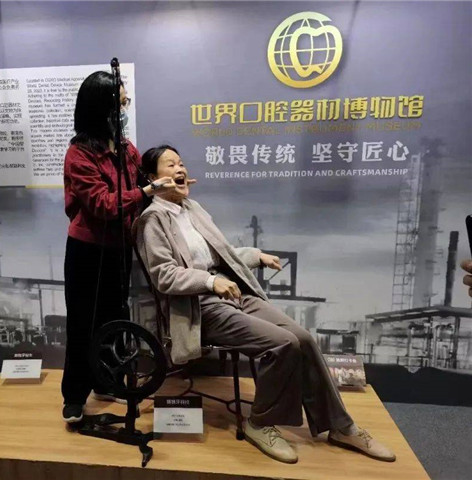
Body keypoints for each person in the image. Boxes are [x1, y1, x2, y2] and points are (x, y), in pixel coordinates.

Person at [134, 145, 396, 464]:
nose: (180, 168)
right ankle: (260, 423)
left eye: (181, 162)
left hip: (232, 292)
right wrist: (210, 282)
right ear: (152, 178)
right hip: (197, 307)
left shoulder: (193, 209)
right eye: (170, 164)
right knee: (283, 344)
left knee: (303, 339)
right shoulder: (151, 220)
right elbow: (164, 275)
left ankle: (341, 426)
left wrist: (256, 256)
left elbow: (222, 254)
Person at [61, 72, 179, 423]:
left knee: (114, 318)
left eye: (126, 102)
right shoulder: (79, 154)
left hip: (118, 249)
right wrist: (147, 191)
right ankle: (74, 395)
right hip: (87, 251)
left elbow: (142, 182)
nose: (124, 110)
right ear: (100, 109)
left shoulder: (126, 149)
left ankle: (105, 381)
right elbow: (102, 204)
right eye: (120, 103)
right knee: (82, 323)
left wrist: (170, 184)